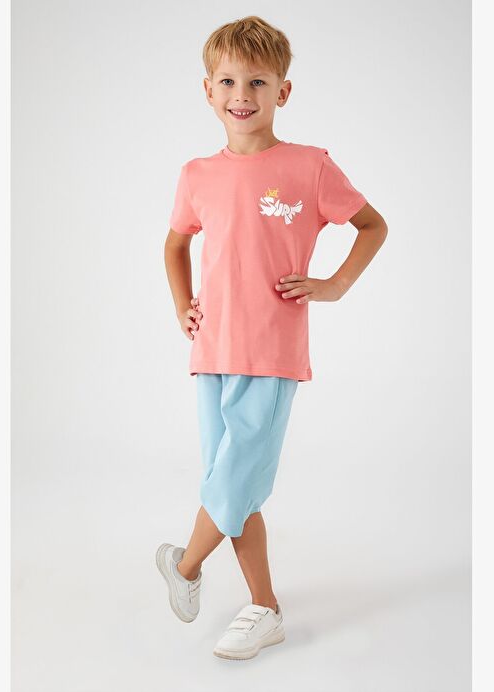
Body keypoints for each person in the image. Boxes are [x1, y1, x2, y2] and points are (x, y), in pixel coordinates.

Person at [156, 15, 388, 660]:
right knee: (235, 485)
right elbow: (175, 243)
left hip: (273, 350)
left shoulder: (309, 167)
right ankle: (265, 608)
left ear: (282, 91)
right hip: (211, 352)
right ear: (208, 90)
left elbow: (372, 225)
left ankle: (184, 565)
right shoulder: (197, 174)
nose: (243, 94)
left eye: (258, 81)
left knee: (233, 479)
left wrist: (336, 284)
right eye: (229, 81)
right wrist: (181, 306)